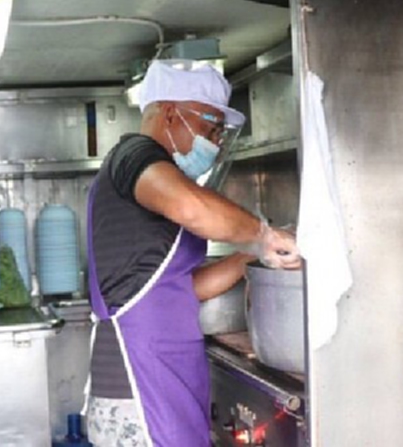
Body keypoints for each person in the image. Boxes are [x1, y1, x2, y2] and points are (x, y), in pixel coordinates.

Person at [84, 59, 302, 447]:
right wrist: (262, 234)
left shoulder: (153, 177)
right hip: (139, 386)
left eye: (220, 132)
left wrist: (249, 258)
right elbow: (193, 209)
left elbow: (180, 287)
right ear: (170, 113)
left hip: (161, 380)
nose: (216, 142)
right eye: (210, 127)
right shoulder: (135, 155)